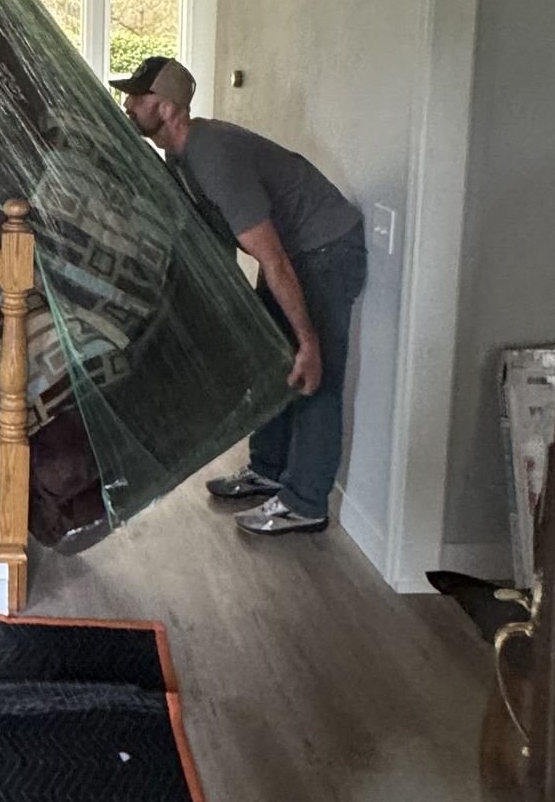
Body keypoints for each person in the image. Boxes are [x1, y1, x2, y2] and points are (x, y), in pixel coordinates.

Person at [114, 56, 366, 537]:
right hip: (294, 254)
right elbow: (217, 242)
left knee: (314, 372)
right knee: (275, 360)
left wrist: (308, 340)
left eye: (137, 98)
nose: (127, 105)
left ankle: (306, 500)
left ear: (166, 109)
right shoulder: (179, 154)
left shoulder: (214, 158)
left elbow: (273, 261)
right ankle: (268, 469)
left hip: (325, 250)